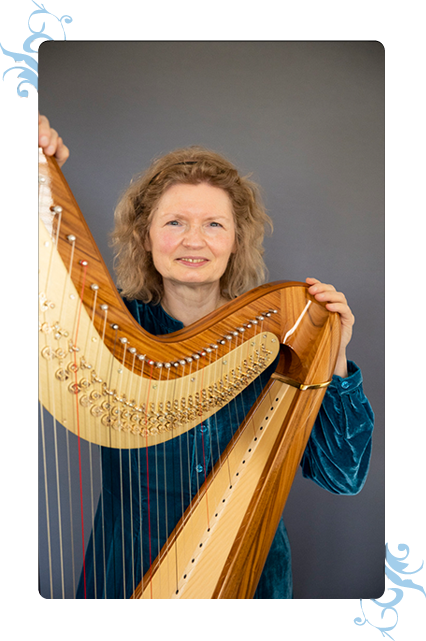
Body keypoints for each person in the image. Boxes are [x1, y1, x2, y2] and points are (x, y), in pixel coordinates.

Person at [22, 97, 374, 601]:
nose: (194, 240)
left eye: (214, 224)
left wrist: (336, 358)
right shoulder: (104, 328)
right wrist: (29, 173)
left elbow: (344, 477)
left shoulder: (283, 334)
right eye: (174, 223)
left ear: (236, 241)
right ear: (144, 237)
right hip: (124, 572)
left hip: (252, 578)